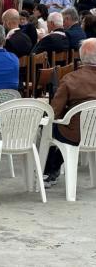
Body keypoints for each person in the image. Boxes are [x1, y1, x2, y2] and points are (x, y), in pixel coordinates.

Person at [43, 38, 96, 188]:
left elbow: (55, 111)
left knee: (53, 129)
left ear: (81, 57)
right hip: (92, 132)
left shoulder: (70, 79)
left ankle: (49, 171)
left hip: (76, 134)